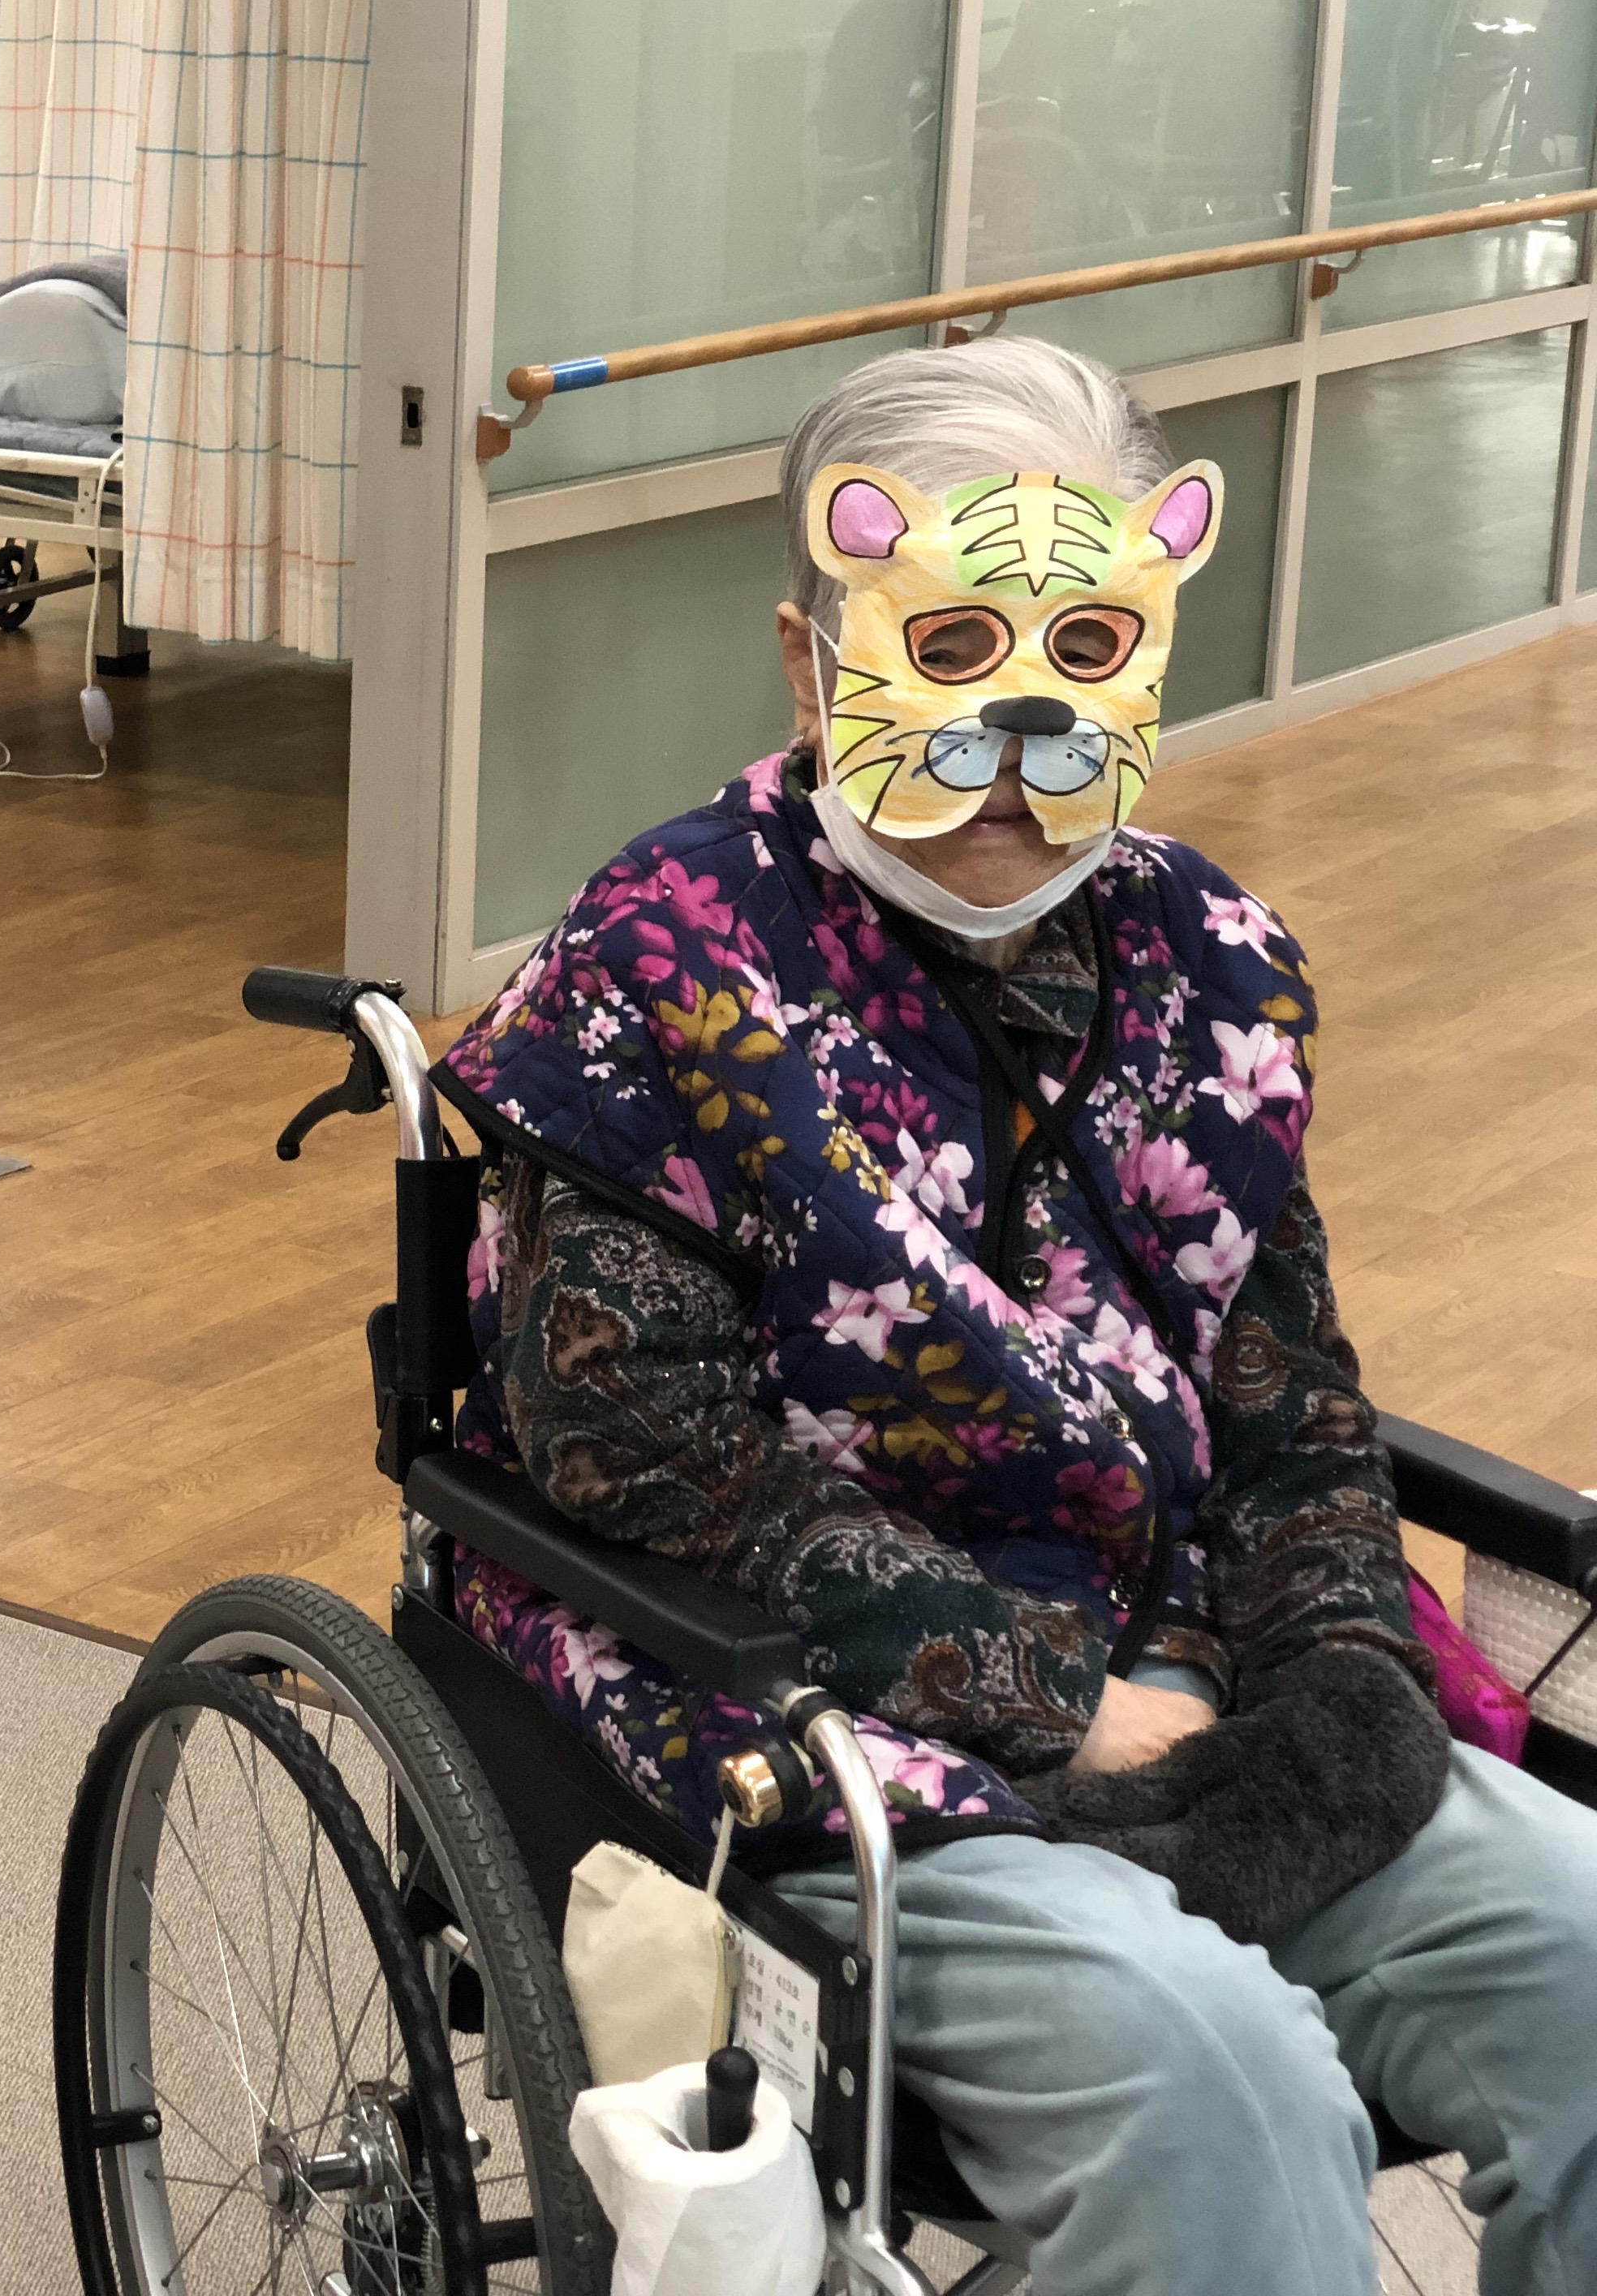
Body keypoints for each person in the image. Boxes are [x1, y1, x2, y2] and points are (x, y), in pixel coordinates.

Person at [438, 338, 1597, 2296]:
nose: (1012, 735)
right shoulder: (667, 965)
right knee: (1227, 2092)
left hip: (1192, 1667)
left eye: (1082, 653)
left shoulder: (1203, 960)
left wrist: (1331, 1695)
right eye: (951, 647)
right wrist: (1055, 1698)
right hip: (814, 1712)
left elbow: (1290, 1402)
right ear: (811, 660)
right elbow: (638, 1457)